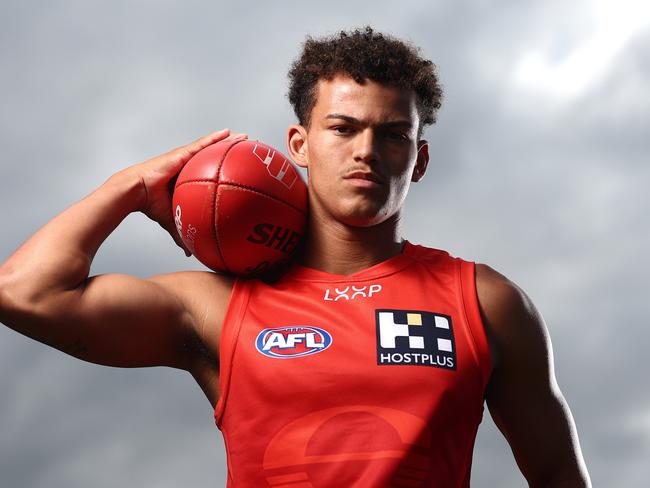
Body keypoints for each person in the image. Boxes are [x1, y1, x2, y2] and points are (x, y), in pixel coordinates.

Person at [0, 27, 591, 487]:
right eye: (343, 128)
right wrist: (129, 186)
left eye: (392, 134)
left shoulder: (483, 299)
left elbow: (559, 475)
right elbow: (24, 293)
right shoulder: (220, 303)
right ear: (299, 145)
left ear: (420, 158)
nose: (367, 151)